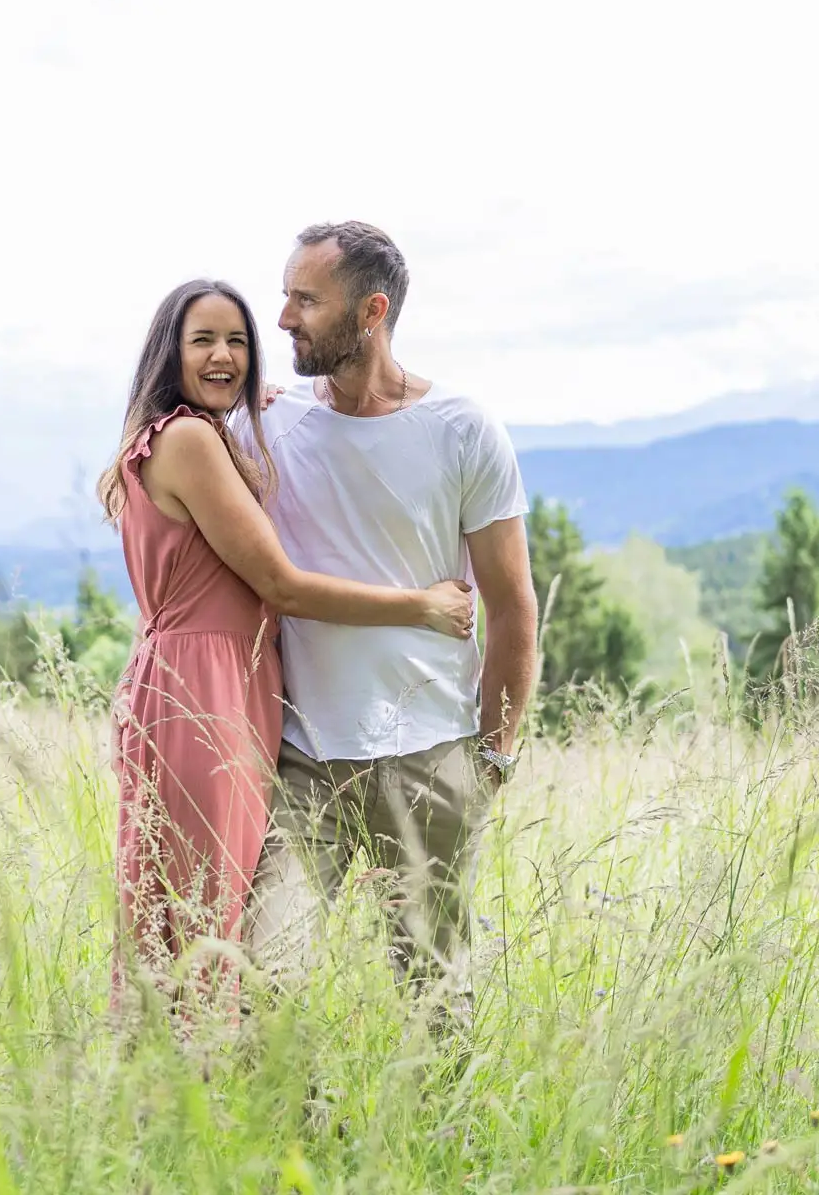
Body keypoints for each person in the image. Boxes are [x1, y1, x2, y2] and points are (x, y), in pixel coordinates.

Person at [96, 278, 473, 1009]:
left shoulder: (187, 435)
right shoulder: (190, 441)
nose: (223, 355)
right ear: (168, 352)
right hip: (204, 689)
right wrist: (421, 607)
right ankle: (194, 1061)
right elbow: (282, 585)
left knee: (191, 899)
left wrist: (252, 408)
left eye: (237, 342)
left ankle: (175, 1063)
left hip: (200, 678)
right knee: (206, 904)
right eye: (203, 340)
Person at [241, 222, 539, 1003]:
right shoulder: (266, 422)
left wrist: (494, 757)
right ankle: (296, 1097)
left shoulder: (463, 428)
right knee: (266, 978)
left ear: (372, 312)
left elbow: (512, 607)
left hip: (431, 758)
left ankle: (433, 1098)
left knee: (435, 1000)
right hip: (302, 759)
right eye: (285, 297)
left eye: (307, 300)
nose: (284, 319)